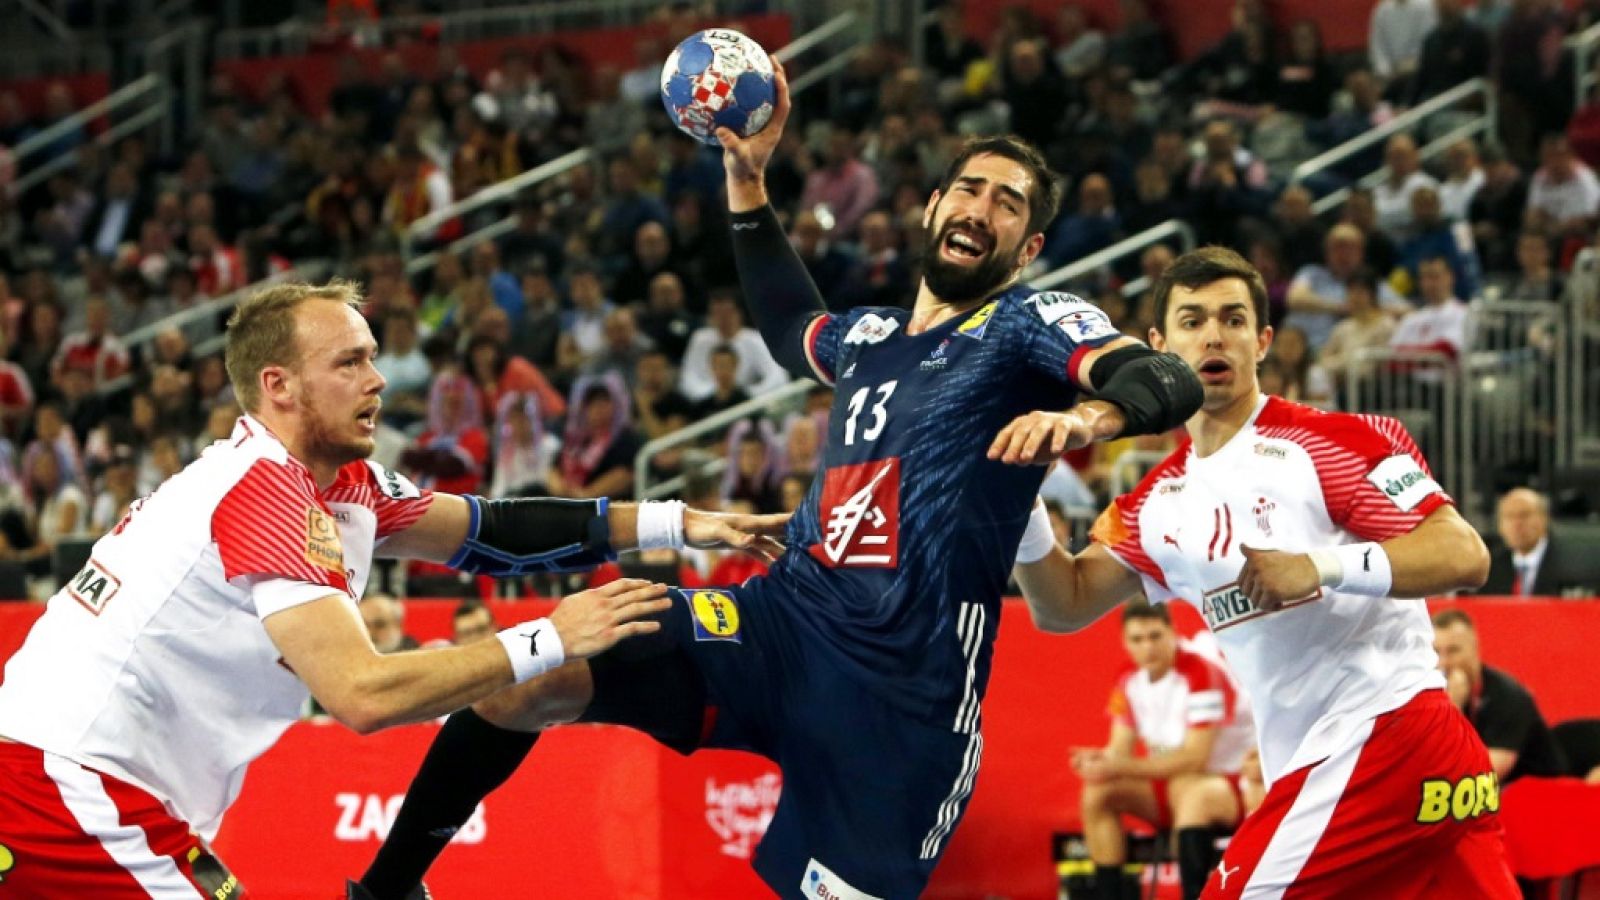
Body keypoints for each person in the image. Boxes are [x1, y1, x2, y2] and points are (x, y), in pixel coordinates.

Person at [355, 59, 1203, 900]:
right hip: (782, 623)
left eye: (1007, 203)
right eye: (970, 190)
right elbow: (790, 321)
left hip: (903, 698)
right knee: (530, 678)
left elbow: (1162, 381)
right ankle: (386, 889)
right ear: (934, 206)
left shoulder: (1030, 323)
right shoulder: (869, 336)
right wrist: (746, 182)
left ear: (1030, 248)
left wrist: (1087, 418)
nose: (982, 208)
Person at [0, 280, 784, 897]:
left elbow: (493, 533)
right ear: (278, 386)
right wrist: (551, 638)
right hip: (69, 785)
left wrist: (681, 523)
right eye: (348, 362)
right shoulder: (267, 491)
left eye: (372, 355)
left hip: (78, 786)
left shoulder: (341, 483)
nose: (376, 378)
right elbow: (363, 694)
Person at [1004, 246, 1518, 897]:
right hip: (1363, 769)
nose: (1213, 334)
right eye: (1191, 321)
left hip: (1383, 738)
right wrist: (1016, 498)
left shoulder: (1337, 440)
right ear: (1157, 346)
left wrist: (1320, 566)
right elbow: (1064, 604)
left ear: (1263, 339)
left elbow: (1464, 554)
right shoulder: (1153, 503)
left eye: (1232, 318)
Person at [1074, 603, 1254, 900]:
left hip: (1230, 784)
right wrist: (1098, 762)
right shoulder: (1127, 678)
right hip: (1173, 786)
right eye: (1137, 639)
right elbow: (1119, 750)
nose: (1147, 648)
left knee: (1193, 793)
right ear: (1124, 642)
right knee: (1098, 792)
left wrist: (1116, 765)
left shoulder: (1201, 672)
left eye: (1155, 636)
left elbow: (1196, 759)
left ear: (1172, 632)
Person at [1432, 608, 1567, 783]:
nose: (1443, 663)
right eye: (1435, 652)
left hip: (1538, 794)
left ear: (1475, 648)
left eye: (1453, 651)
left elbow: (1482, 777)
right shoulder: (1431, 694)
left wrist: (1453, 709)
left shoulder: (1509, 697)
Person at [1478, 487, 1600, 596]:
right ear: (1500, 526)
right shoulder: (1490, 569)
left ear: (1544, 519)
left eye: (1524, 515)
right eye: (1509, 517)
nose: (1517, 524)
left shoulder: (1574, 563)